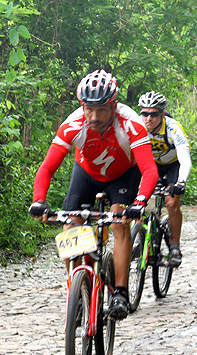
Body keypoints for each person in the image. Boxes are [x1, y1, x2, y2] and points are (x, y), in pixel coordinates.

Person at [28, 69, 158, 320]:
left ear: (114, 106)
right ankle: (76, 290)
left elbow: (149, 169)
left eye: (101, 110)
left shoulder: (131, 124)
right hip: (86, 173)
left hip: (123, 175)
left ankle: (119, 292)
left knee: (119, 221)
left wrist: (140, 201)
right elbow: (47, 167)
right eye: (88, 108)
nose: (93, 116)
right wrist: (39, 200)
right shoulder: (73, 124)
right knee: (70, 226)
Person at [138, 91, 192, 266]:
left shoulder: (173, 128)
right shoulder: (137, 127)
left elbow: (185, 160)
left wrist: (180, 182)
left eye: (153, 114)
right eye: (145, 113)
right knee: (138, 200)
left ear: (162, 114)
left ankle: (175, 246)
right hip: (150, 166)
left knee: (171, 202)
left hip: (173, 165)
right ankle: (140, 237)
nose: (148, 118)